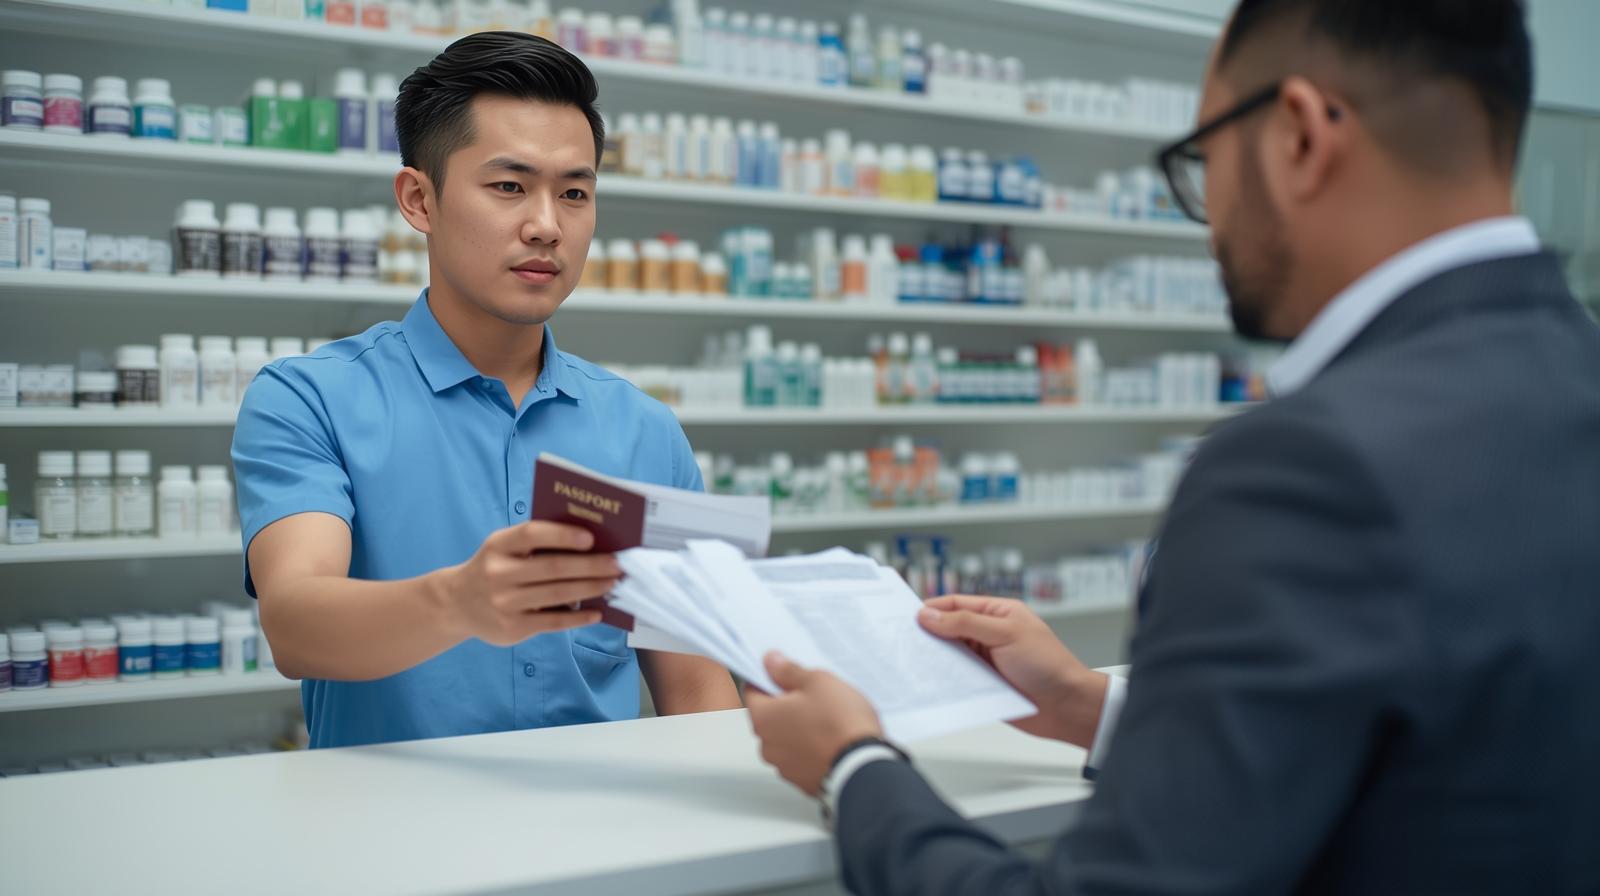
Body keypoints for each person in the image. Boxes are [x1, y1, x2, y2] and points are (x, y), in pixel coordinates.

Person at [747, 1, 1600, 892]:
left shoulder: (1306, 464)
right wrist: (1087, 706)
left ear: (1299, 137)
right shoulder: (1572, 380)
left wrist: (853, 768)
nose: (1211, 220)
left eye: (1205, 162)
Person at [233, 32, 740, 749]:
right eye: (508, 187)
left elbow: (698, 693)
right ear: (419, 199)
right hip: (388, 838)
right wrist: (460, 602)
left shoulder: (645, 431)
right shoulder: (309, 399)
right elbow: (295, 624)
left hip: (603, 833)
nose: (546, 226)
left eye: (574, 193)